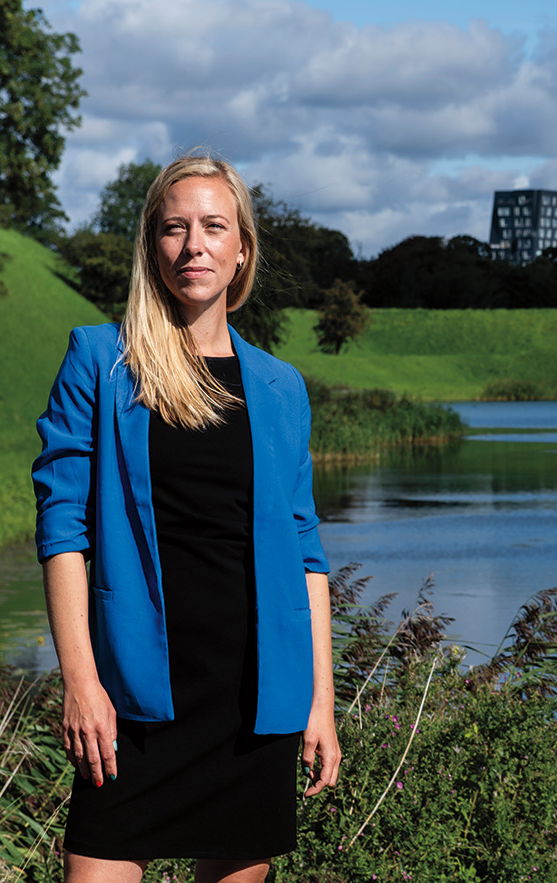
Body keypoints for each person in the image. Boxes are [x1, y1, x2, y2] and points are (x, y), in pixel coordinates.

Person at [33, 154, 340, 883]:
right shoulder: (100, 361)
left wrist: (320, 701)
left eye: (212, 227)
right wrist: (81, 681)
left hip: (254, 699)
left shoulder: (279, 385)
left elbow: (306, 551)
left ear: (241, 251)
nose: (192, 245)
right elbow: (63, 530)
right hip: (132, 697)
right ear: (152, 246)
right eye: (174, 228)